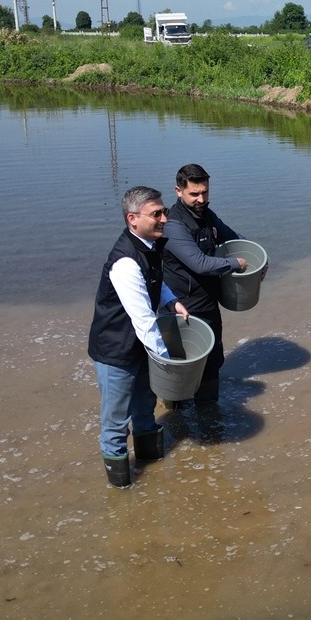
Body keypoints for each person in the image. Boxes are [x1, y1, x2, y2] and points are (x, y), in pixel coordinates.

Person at [87, 186, 190, 488]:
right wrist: (167, 362)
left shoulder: (150, 245)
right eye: (156, 214)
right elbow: (143, 319)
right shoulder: (126, 262)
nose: (164, 218)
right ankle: (121, 490)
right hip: (115, 351)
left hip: (140, 347)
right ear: (133, 219)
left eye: (164, 212)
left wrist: (171, 300)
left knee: (145, 409)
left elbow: (154, 284)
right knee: (116, 423)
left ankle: (152, 472)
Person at [162, 163, 248, 409]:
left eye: (205, 193)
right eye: (194, 194)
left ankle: (210, 422)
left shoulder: (207, 215)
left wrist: (257, 260)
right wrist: (235, 263)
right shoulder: (173, 224)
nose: (201, 199)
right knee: (180, 369)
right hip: (180, 309)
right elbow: (199, 263)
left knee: (212, 365)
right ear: (178, 191)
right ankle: (176, 422)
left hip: (208, 304)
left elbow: (234, 239)